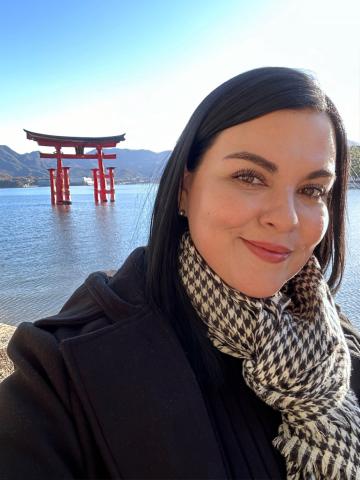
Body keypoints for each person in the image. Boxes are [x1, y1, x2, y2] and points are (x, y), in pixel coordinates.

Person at [0, 67, 359, 480]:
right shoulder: (64, 372)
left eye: (313, 190)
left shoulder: (337, 343)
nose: (287, 218)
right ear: (185, 188)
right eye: (249, 176)